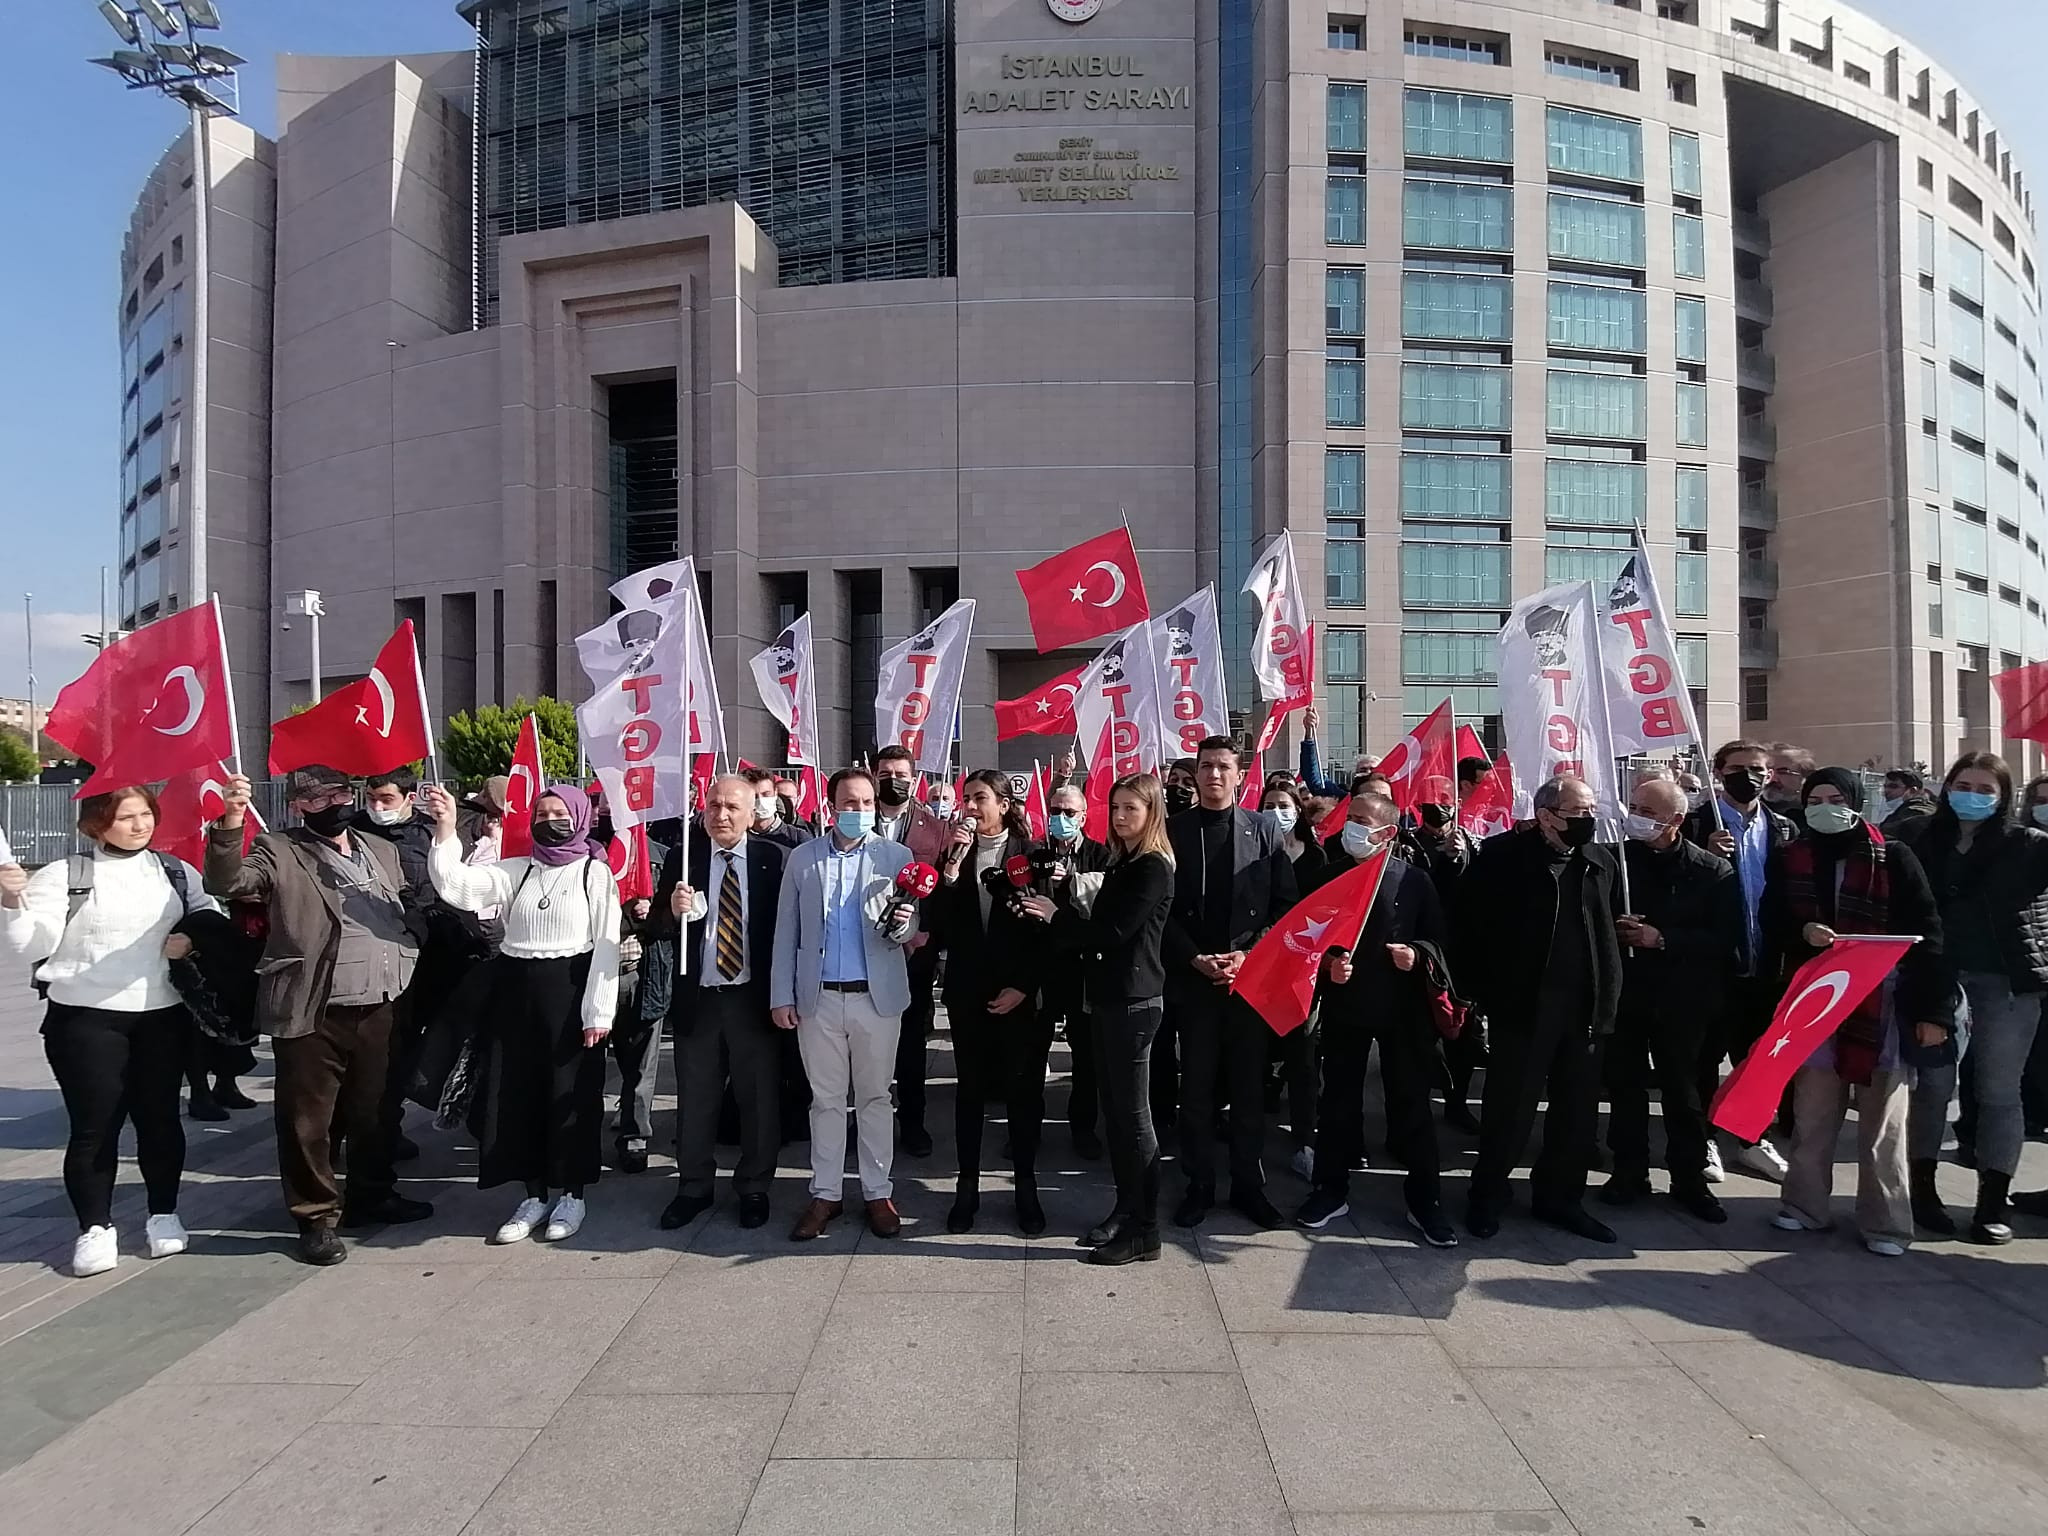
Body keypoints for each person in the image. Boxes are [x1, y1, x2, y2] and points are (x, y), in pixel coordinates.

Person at [208, 768, 435, 1265]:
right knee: (310, 1119)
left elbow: (407, 903)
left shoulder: (382, 849)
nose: (332, 802)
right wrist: (230, 818)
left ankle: (373, 1193)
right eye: (316, 797)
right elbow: (228, 881)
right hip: (315, 1004)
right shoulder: (279, 849)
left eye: (339, 792)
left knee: (375, 1111)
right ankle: (315, 1216)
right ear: (297, 807)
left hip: (383, 1001)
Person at [2, 789, 217, 1276]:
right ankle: (95, 1228)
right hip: (86, 1020)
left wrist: (194, 939)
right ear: (98, 825)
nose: (140, 825)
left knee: (160, 1121)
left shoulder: (175, 871)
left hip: (162, 1016)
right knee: (95, 1129)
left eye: (146, 814)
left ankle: (164, 1215)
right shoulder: (67, 874)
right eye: (126, 817)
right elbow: (30, 943)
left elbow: (208, 916)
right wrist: (13, 900)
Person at [418, 782, 621, 1246]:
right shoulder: (517, 870)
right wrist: (446, 829)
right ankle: (533, 1194)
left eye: (559, 814)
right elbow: (458, 887)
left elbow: (606, 948)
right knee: (516, 1096)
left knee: (569, 1097)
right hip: (516, 995)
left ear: (579, 818)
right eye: (541, 813)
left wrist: (598, 1012)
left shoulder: (594, 873)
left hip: (570, 996)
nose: (549, 822)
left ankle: (572, 1194)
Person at [1764, 768, 1948, 1256]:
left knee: (1883, 1121)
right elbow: (1774, 920)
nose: (1825, 807)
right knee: (1813, 1112)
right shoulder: (1792, 857)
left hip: (1881, 1004)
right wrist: (1802, 934)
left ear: (1854, 801)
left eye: (1835, 797)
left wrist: (1933, 1010)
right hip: (1818, 1003)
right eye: (1815, 798)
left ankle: (1886, 1223)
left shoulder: (1894, 855)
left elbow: (1928, 933)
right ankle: (1803, 1206)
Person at [1455, 774, 1624, 1242]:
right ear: (1547, 816)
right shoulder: (1503, 859)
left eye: (1592, 811)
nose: (1588, 821)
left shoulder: (1600, 861)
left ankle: (1560, 1200)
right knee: (1509, 1112)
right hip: (1523, 1009)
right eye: (1577, 813)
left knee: (1575, 1116)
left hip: (1586, 1011)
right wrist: (1482, 995)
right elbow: (1472, 930)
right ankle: (1487, 1198)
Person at [1890, 753, 2048, 1243]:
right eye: (1964, 784)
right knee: (1933, 1086)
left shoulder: (2029, 845)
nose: (1972, 796)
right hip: (1934, 978)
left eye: (1985, 788)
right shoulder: (1919, 837)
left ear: (2003, 797)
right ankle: (1922, 1191)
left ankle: (1992, 1203)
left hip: (2005, 982)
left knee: (2000, 1091)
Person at [1019, 773, 1175, 1263]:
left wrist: (1055, 916)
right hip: (1108, 998)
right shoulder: (1123, 862)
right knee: (1117, 1115)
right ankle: (1125, 1209)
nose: (1123, 817)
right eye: (1117, 807)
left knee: (1133, 1119)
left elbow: (1113, 932)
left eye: (1133, 808)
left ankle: (1145, 1228)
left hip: (1134, 1001)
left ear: (1152, 813)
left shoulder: (1152, 866)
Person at [1296, 790, 1458, 1246]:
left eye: (1363, 820)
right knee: (1338, 1104)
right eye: (1352, 818)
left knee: (1411, 1106)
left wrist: (1417, 955)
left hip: (1403, 1013)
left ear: (1386, 833)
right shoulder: (1329, 877)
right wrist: (1328, 966)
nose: (1353, 827)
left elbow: (1442, 943)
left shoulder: (1414, 881)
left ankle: (1424, 1200)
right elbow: (1304, 944)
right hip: (1347, 1010)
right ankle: (1330, 1189)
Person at [771, 766, 921, 1241]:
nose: (856, 811)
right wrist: (782, 995)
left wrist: (904, 925)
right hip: (819, 999)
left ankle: (878, 1191)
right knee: (827, 1100)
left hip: (876, 999)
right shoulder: (803, 859)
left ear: (875, 806)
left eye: (865, 803)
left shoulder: (895, 856)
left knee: (876, 1097)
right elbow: (786, 932)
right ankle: (826, 1194)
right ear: (831, 805)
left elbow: (911, 926)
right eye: (848, 803)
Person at [1163, 735, 1300, 1228]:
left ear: (1240, 775)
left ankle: (1248, 1184)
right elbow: (1164, 910)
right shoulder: (1174, 830)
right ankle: (1199, 1184)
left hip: (1249, 982)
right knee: (1196, 1091)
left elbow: (1285, 907)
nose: (1213, 775)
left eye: (1223, 767)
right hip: (1196, 981)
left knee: (1247, 1092)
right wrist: (1195, 957)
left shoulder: (1264, 831)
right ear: (1195, 774)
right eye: (1205, 767)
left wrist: (1249, 955)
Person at [1603, 776, 1742, 1223]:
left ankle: (1689, 1178)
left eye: (1649, 812)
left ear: (1676, 820)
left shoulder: (1710, 870)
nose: (1637, 818)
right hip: (1626, 996)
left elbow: (1725, 940)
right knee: (1625, 1090)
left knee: (1684, 1094)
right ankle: (1629, 1171)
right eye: (1635, 808)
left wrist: (1662, 938)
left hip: (1684, 1000)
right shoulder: (1614, 862)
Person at [652, 775, 788, 1230]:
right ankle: (692, 1185)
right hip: (701, 998)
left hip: (754, 997)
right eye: (713, 805)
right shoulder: (684, 857)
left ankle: (754, 1186)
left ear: (753, 813)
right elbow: (655, 925)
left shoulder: (774, 860)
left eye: (732, 807)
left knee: (758, 1098)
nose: (721, 814)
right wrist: (671, 909)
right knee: (696, 1099)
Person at [929, 769, 1052, 1232]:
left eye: (981, 798)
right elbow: (938, 926)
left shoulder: (1032, 856)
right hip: (968, 993)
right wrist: (953, 870)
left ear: (1004, 804)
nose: (972, 807)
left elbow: (1046, 932)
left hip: (1021, 994)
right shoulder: (953, 856)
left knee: (1023, 1094)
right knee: (971, 1092)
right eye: (967, 799)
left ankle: (1025, 1187)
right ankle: (967, 1189)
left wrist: (1023, 985)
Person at [1684, 739, 1799, 1184]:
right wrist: (1702, 850)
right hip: (1714, 966)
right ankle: (1705, 1139)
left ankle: (1752, 1138)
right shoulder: (1697, 824)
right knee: (1705, 1059)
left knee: (1759, 1061)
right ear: (1719, 772)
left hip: (1767, 966)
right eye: (1738, 768)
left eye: (1757, 769)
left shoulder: (1784, 829)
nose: (1747, 777)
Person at [872, 744, 951, 1158]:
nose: (893, 781)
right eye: (886, 773)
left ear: (914, 777)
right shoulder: (856, 818)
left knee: (910, 1043)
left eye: (900, 773)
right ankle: (869, 1119)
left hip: (914, 954)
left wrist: (926, 937)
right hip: (865, 951)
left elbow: (941, 893)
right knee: (866, 1044)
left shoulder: (934, 829)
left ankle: (913, 1121)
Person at [1041, 782, 1111, 1160]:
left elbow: (1105, 906)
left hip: (1084, 970)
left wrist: (1072, 884)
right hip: (1042, 969)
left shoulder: (1101, 855)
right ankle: (1026, 1126)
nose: (1061, 818)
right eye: (1056, 811)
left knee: (1086, 1057)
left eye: (1069, 813)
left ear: (1083, 817)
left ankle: (1083, 1127)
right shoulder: (1035, 853)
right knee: (1031, 1052)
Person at [1258, 781, 1323, 1175]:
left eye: (1283, 804)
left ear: (1297, 810)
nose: (1276, 811)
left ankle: (1305, 1138)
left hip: (1304, 972)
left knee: (1303, 1060)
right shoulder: (1256, 852)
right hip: (1262, 968)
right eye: (1268, 804)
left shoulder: (1316, 858)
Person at [1296, 704, 1378, 798]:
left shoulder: (1395, 802)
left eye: (1373, 770)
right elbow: (1314, 779)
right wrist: (1309, 734)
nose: (1368, 773)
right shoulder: (1344, 801)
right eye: (1363, 770)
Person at [745, 768, 809, 851]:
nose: (760, 800)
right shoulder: (737, 839)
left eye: (766, 794)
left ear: (775, 793)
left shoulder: (797, 838)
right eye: (754, 796)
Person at [1764, 744, 1815, 816]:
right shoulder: (1752, 812)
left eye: (1782, 772)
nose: (1772, 778)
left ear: (1804, 777)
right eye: (1767, 771)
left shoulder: (1815, 813)